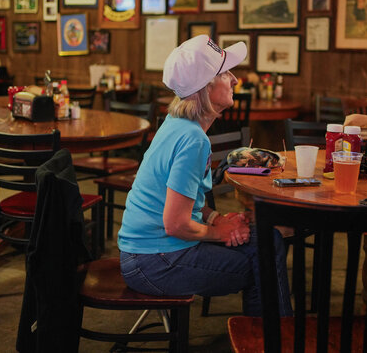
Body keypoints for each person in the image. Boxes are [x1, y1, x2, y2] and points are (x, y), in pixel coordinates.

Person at [118, 35, 292, 317]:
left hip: (143, 254)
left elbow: (181, 201)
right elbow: (175, 224)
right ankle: (274, 341)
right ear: (205, 88)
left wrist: (215, 218)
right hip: (155, 262)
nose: (235, 79)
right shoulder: (193, 140)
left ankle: (270, 339)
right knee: (264, 262)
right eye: (225, 73)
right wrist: (217, 233)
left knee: (267, 241)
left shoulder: (177, 124)